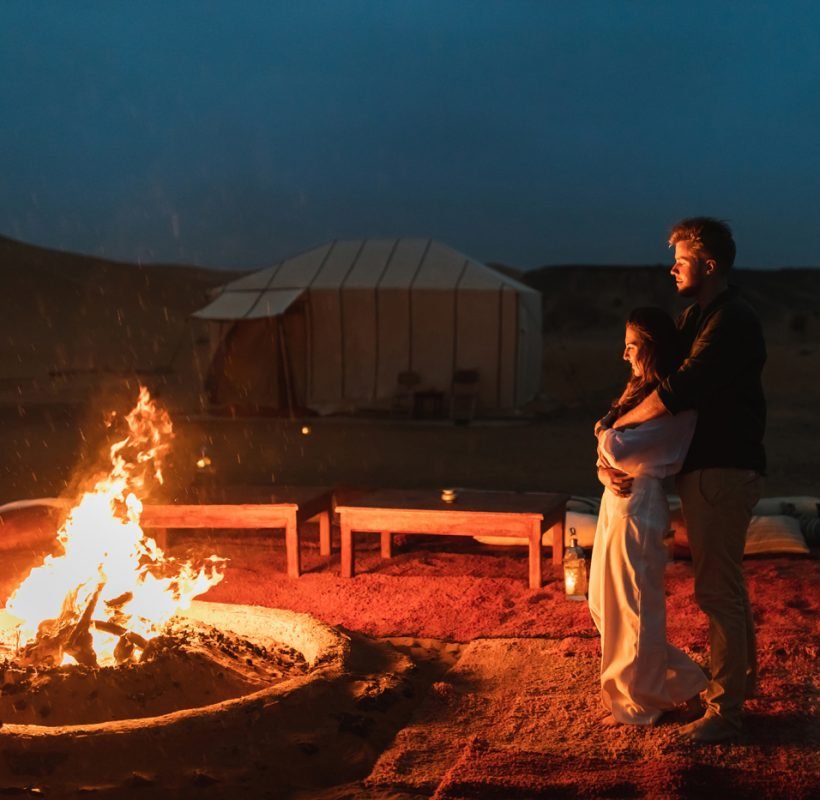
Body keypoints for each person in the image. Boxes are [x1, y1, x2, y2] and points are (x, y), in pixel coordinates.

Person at [610, 217, 766, 743]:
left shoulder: (730, 320)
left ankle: (726, 712)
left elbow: (683, 387)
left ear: (711, 265)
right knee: (726, 586)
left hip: (723, 468)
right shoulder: (699, 316)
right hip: (708, 468)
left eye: (681, 259)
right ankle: (740, 684)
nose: (672, 267)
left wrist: (617, 427)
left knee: (717, 591)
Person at [589, 307, 708, 727]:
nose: (624, 355)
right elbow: (613, 452)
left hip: (640, 504)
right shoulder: (638, 396)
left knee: (633, 609)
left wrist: (605, 434)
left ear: (653, 350)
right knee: (603, 605)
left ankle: (641, 704)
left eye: (632, 346)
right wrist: (604, 462)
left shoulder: (675, 405)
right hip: (615, 499)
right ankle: (687, 683)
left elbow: (620, 449)